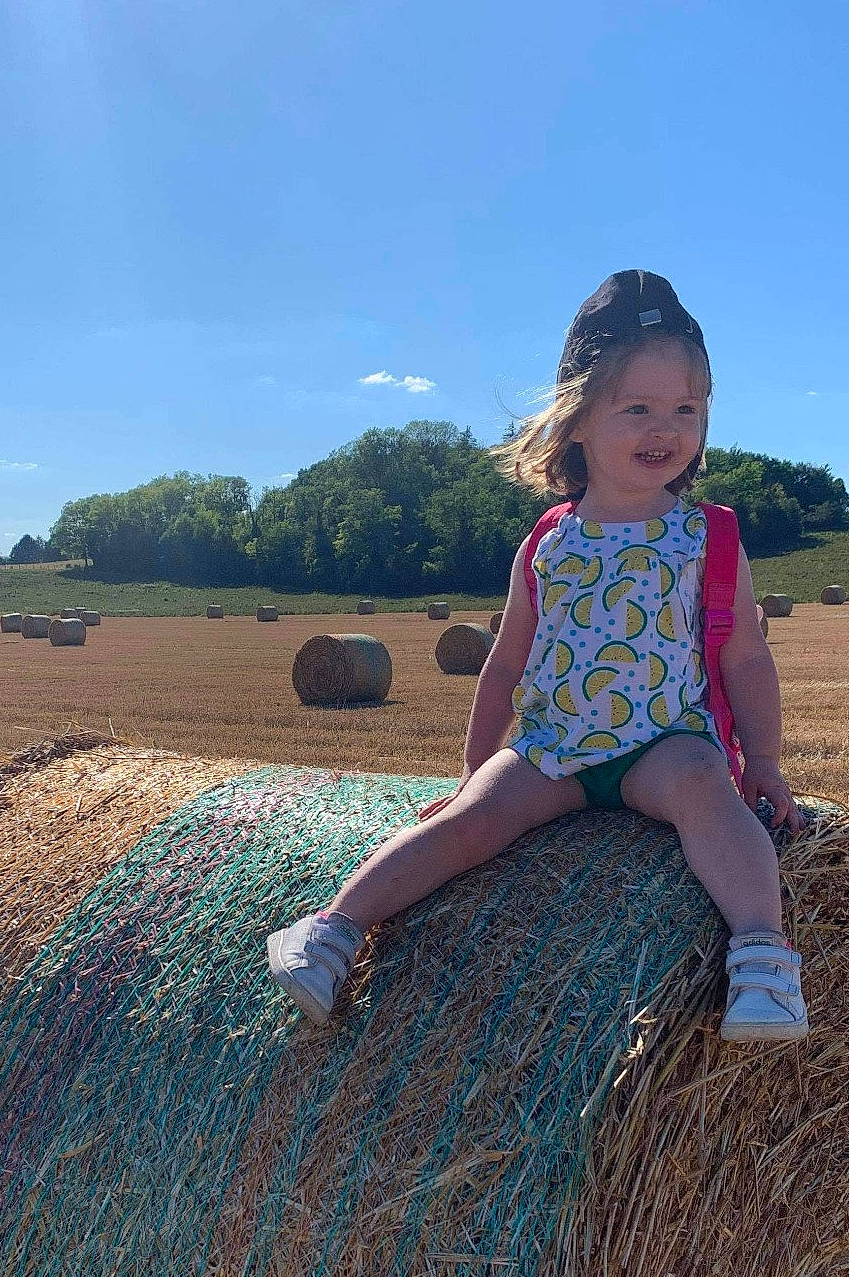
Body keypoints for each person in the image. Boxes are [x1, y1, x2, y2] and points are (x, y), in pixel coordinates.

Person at [267, 268, 808, 1042]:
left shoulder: (706, 534)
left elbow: (748, 658)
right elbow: (505, 663)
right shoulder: (548, 542)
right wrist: (473, 769)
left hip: (664, 742)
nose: (667, 428)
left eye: (687, 408)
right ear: (578, 419)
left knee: (710, 801)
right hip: (551, 748)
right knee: (469, 823)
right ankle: (331, 933)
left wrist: (764, 760)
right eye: (639, 408)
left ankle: (764, 959)